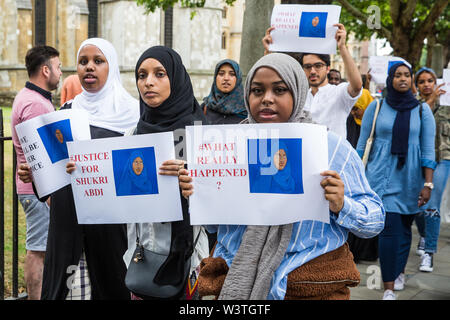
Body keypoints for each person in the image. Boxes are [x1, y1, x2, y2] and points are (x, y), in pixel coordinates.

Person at [179, 53, 385, 300]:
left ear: (297, 92)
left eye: (279, 90)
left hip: (307, 287)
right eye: (257, 91)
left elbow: (374, 222)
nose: (267, 99)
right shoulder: (228, 148)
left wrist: (342, 205)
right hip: (237, 282)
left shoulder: (330, 149)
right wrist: (199, 195)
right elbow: (215, 226)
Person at [18, 38, 140, 300]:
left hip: (109, 223)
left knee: (110, 285)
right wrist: (35, 173)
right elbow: (53, 171)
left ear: (112, 66)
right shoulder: (68, 110)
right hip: (68, 221)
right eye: (83, 62)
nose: (89, 68)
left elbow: (137, 172)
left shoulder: (132, 114)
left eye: (98, 61)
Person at [121, 46, 209, 300]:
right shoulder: (132, 136)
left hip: (189, 260)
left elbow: (220, 203)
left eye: (160, 74)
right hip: (142, 257)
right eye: (141, 75)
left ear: (176, 78)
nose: (148, 82)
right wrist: (82, 175)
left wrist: (193, 182)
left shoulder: (197, 135)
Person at [356, 62, 436, 300]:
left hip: (410, 179)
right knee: (388, 229)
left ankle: (398, 271)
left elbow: (428, 151)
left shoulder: (422, 111)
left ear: (411, 80)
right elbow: (362, 144)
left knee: (404, 229)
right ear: (390, 79)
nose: (402, 79)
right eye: (397, 75)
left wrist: (428, 184)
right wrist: (357, 177)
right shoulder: (377, 106)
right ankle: (389, 286)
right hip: (379, 178)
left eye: (407, 75)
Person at [11, 45, 61, 300]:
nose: (60, 73)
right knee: (38, 250)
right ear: (45, 70)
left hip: (33, 190)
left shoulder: (28, 98)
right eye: (58, 67)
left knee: (39, 248)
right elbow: (40, 155)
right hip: (38, 190)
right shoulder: (35, 104)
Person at [262, 24, 363, 138]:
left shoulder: (339, 93)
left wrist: (342, 47)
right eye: (308, 66)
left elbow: (357, 86)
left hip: (331, 154)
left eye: (318, 66)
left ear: (328, 68)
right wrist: (268, 52)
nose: (313, 71)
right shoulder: (298, 96)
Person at [413, 67, 449, 273]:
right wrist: (432, 99)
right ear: (417, 85)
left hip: (443, 158)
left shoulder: (448, 104)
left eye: (430, 80)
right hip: (419, 160)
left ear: (436, 82)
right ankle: (425, 235)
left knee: (432, 204)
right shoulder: (415, 105)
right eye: (422, 81)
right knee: (417, 205)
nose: (426, 84)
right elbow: (416, 123)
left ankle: (429, 252)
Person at [201, 59, 247, 124]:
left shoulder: (247, 108)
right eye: (221, 74)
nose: (226, 78)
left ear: (238, 79)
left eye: (232, 74)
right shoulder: (205, 108)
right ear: (215, 78)